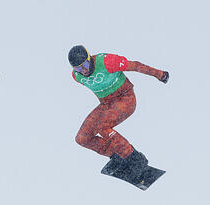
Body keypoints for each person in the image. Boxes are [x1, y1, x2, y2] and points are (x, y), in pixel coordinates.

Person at [68, 44, 168, 184]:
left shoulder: (107, 62)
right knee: (82, 138)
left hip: (125, 99)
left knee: (102, 127)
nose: (83, 70)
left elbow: (135, 66)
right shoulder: (77, 76)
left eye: (84, 64)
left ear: (90, 58)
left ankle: (135, 159)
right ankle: (118, 156)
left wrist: (160, 74)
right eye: (78, 68)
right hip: (106, 104)